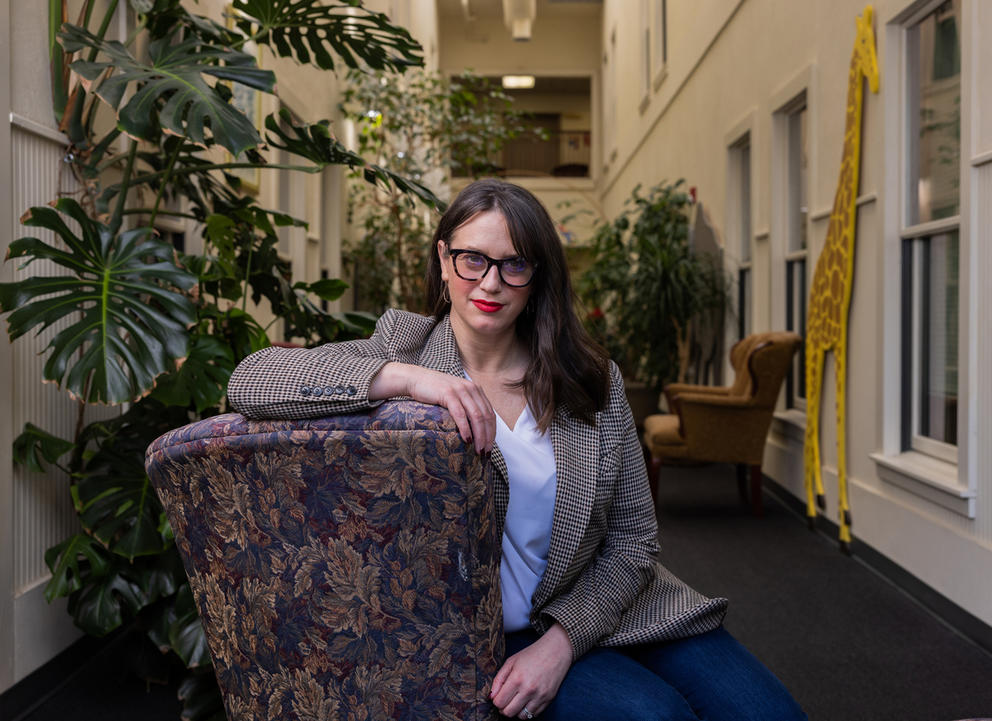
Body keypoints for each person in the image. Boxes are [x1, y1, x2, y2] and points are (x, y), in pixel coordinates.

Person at [227, 178, 807, 720]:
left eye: (514, 264)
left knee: (770, 713)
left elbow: (633, 541)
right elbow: (251, 380)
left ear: (538, 275)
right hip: (495, 634)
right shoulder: (404, 348)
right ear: (443, 259)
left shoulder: (588, 378)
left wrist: (563, 643)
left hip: (615, 604)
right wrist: (407, 380)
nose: (490, 283)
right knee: (656, 715)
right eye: (472, 259)